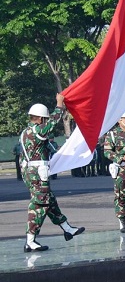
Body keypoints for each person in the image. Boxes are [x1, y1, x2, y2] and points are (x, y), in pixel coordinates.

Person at [20, 94, 84, 252]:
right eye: (45, 120)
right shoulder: (38, 130)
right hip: (37, 174)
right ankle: (31, 240)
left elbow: (47, 150)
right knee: (40, 205)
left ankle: (67, 229)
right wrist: (60, 104)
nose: (47, 122)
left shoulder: (26, 132)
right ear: (41, 119)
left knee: (50, 202)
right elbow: (54, 121)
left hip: (31, 172)